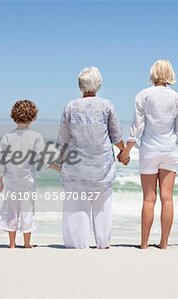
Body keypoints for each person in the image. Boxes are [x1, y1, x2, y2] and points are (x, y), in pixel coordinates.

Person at [120, 59, 178, 249]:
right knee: (167, 198)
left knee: (148, 199)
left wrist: (126, 151)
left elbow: (137, 127)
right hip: (169, 151)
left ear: (153, 73)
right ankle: (164, 243)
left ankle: (143, 243)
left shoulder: (143, 95)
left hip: (149, 151)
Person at [58, 66, 125, 249]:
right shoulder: (106, 105)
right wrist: (123, 152)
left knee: (76, 206)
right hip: (100, 166)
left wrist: (60, 160)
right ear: (98, 85)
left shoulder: (70, 106)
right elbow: (116, 135)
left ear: (80, 86)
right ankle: (103, 242)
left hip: (76, 166)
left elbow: (63, 138)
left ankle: (77, 243)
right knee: (102, 206)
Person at [0, 99, 45, 249]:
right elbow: (41, 159)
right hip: (28, 183)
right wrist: (61, 169)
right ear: (33, 116)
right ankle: (27, 243)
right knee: (27, 212)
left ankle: (11, 243)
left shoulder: (7, 137)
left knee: (11, 212)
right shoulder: (36, 136)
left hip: (11, 183)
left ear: (14, 116)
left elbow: (1, 161)